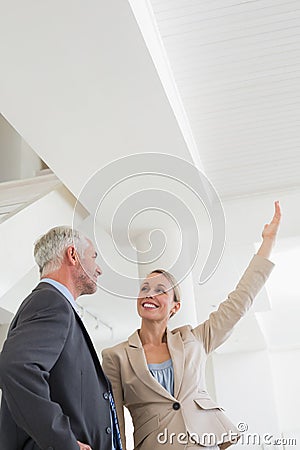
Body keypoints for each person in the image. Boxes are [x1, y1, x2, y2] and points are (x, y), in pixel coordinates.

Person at [102, 201, 281, 450]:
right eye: (144, 289)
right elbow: (114, 423)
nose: (149, 294)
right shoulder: (116, 357)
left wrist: (268, 243)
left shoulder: (194, 340)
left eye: (160, 290)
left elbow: (239, 302)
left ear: (175, 307)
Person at [0, 226, 122, 450]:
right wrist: (64, 443)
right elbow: (17, 367)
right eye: (94, 257)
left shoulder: (54, 304)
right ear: (73, 255)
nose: (99, 269)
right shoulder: (50, 301)